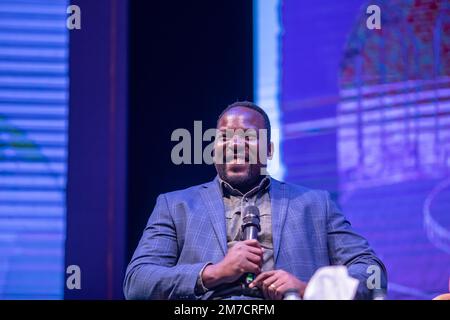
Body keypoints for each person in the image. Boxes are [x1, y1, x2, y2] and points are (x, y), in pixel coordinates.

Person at [124, 101, 387, 300]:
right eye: (225, 137)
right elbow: (137, 281)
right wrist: (214, 272)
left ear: (269, 150)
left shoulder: (316, 204)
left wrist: (309, 289)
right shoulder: (176, 206)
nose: (235, 145)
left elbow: (373, 274)